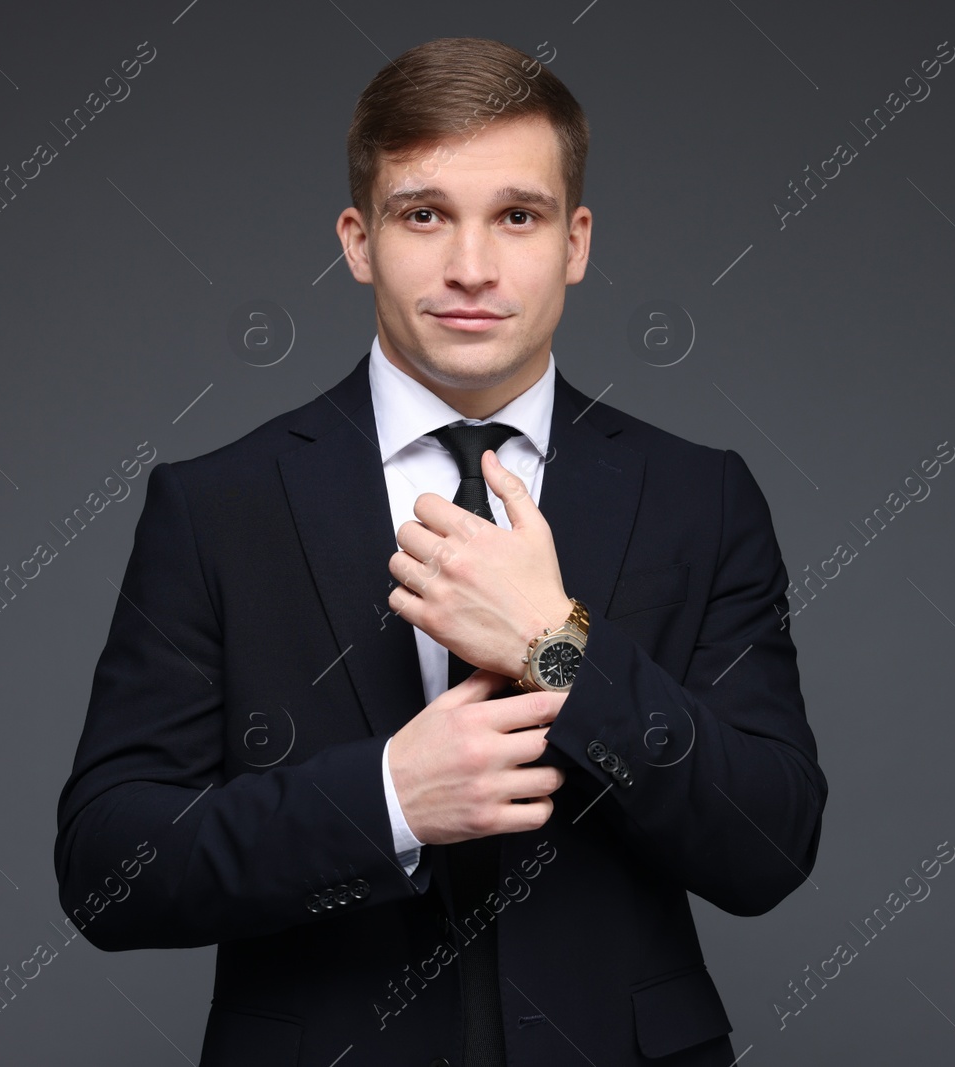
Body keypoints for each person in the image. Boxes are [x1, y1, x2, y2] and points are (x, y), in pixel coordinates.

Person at [54, 36, 825, 1067]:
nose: (471, 266)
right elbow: (110, 868)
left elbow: (768, 844)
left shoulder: (700, 494)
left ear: (576, 241)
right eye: (424, 215)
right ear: (358, 238)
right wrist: (385, 798)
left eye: (518, 215)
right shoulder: (215, 504)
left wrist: (560, 649)